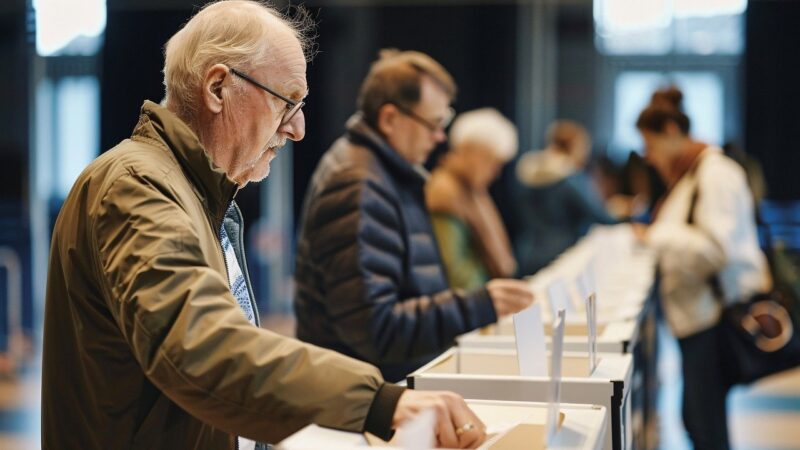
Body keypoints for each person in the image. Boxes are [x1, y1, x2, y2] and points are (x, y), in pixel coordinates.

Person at [41, 3, 487, 449]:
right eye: (287, 101)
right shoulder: (135, 186)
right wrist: (376, 403)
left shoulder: (200, 194)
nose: (298, 128)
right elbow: (201, 347)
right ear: (218, 87)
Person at [294, 50, 533, 382]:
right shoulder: (359, 184)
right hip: (365, 396)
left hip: (388, 384)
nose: (440, 137)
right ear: (390, 118)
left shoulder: (386, 173)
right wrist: (478, 306)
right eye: (433, 124)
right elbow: (375, 329)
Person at [634, 87, 771, 450]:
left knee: (706, 425)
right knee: (696, 419)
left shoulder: (715, 174)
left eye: (650, 145)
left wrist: (657, 236)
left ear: (671, 131)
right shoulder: (692, 175)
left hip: (713, 316)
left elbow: (716, 250)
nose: (648, 158)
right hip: (696, 318)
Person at [426, 108, 518, 291]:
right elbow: (454, 272)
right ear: (473, 153)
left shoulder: (470, 190)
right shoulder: (445, 192)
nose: (496, 172)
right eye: (493, 162)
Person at [514, 120, 617, 275]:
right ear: (574, 146)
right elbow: (599, 216)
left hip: (526, 253)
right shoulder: (570, 178)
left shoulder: (527, 173)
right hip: (560, 255)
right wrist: (623, 213)